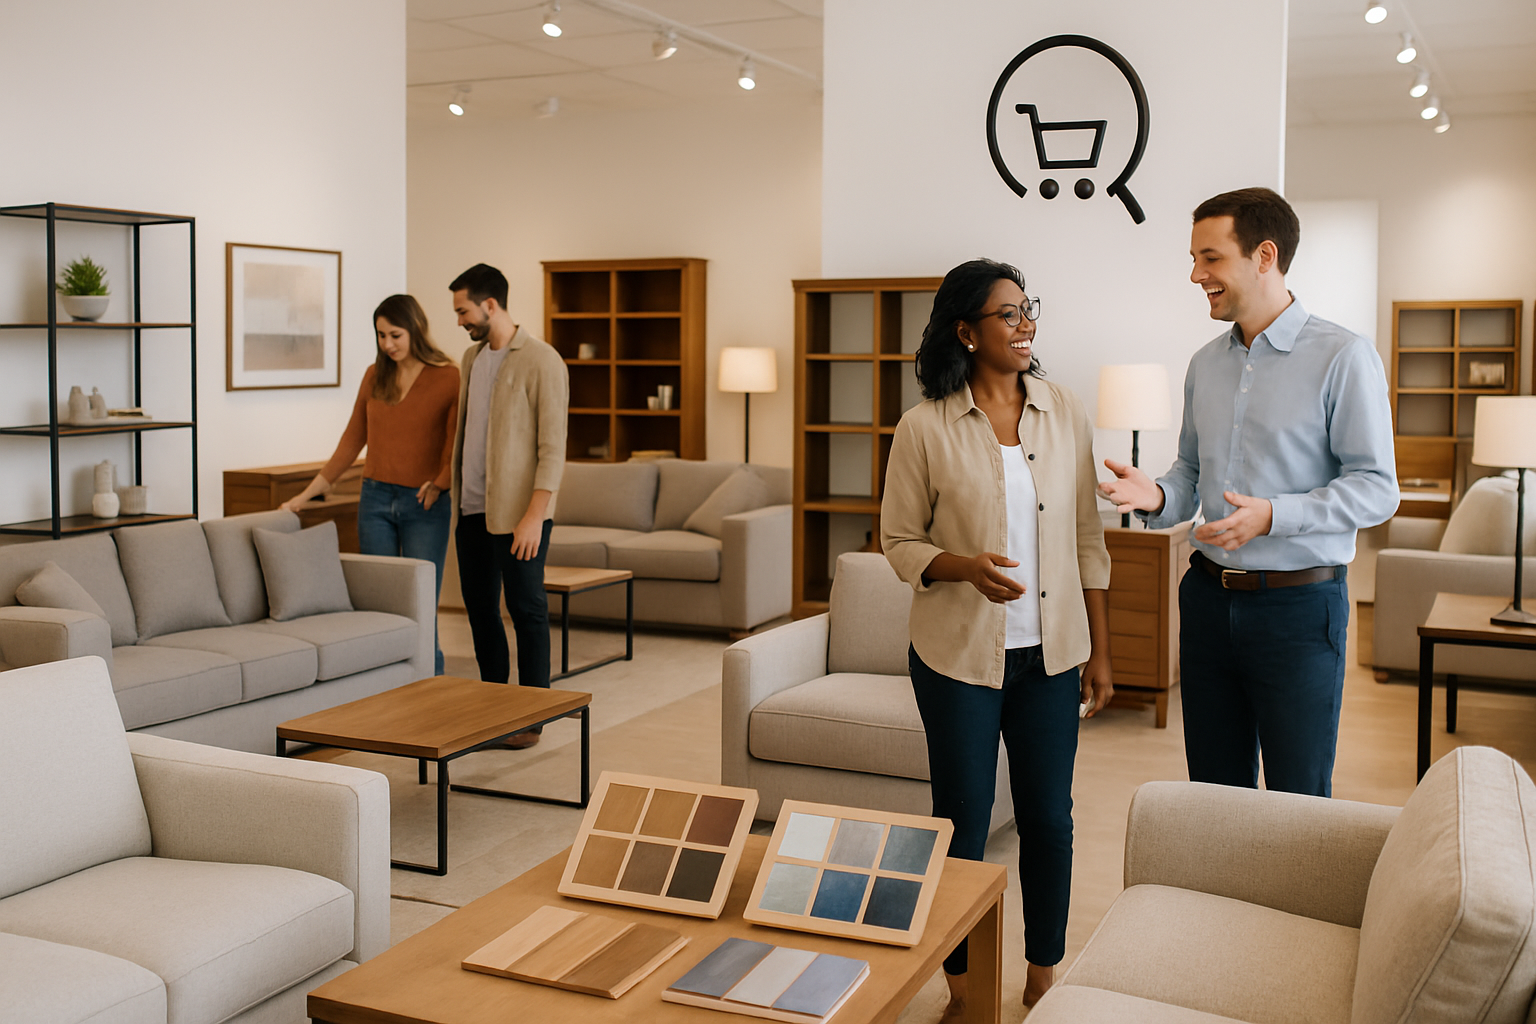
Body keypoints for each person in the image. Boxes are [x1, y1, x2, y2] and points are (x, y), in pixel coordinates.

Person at [1098, 186, 1397, 798]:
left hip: (1300, 612)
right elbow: (1188, 473)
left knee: (1298, 799)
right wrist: (1155, 496)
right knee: (1212, 795)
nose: (1195, 274)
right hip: (1207, 602)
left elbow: (1376, 489)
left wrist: (1273, 517)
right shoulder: (1204, 364)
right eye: (1193, 258)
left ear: (1264, 255)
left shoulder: (1343, 357)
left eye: (1210, 258)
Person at [881, 258, 1112, 1015]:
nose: (1025, 326)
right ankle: (962, 984)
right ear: (966, 332)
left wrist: (1099, 650)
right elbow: (898, 542)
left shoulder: (1064, 408)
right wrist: (963, 568)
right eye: (1007, 315)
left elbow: (1087, 539)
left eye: (1027, 311)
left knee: (1050, 819)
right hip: (954, 657)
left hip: (1050, 656)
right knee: (962, 822)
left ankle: (1044, 974)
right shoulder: (924, 427)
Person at [283, 294, 458, 675]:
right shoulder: (374, 376)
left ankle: (433, 683)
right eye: (380, 335)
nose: (387, 344)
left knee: (420, 600)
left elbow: (454, 445)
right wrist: (305, 494)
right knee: (378, 599)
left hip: (425, 505)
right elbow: (351, 441)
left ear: (415, 329)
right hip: (375, 499)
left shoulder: (449, 376)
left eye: (395, 335)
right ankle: (384, 684)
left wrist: (440, 484)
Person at [449, 263, 568, 745]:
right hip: (472, 511)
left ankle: (531, 718)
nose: (459, 320)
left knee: (527, 610)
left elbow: (552, 448)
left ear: (490, 304)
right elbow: (466, 436)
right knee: (480, 611)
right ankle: (494, 709)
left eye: (463, 310)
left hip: (521, 517)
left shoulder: (542, 361)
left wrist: (534, 516)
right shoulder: (470, 360)